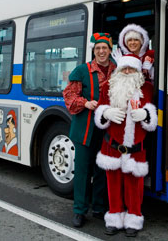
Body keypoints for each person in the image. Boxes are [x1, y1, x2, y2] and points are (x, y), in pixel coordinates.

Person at [93, 53, 157, 237]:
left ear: (137, 70)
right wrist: (107, 113)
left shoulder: (147, 87)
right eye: (124, 68)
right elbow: (100, 111)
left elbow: (152, 116)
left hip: (136, 147)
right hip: (111, 146)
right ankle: (114, 217)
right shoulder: (107, 87)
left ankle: (134, 219)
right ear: (119, 70)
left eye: (131, 68)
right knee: (112, 185)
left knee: (134, 186)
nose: (127, 71)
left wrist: (146, 114)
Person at [63, 32, 116, 228]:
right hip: (85, 129)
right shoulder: (82, 70)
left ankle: (100, 208)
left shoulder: (117, 70)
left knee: (103, 170)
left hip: (108, 130)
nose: (101, 51)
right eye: (98, 48)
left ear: (110, 51)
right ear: (94, 51)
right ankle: (79, 211)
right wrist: (85, 103)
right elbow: (69, 97)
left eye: (105, 48)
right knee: (83, 172)